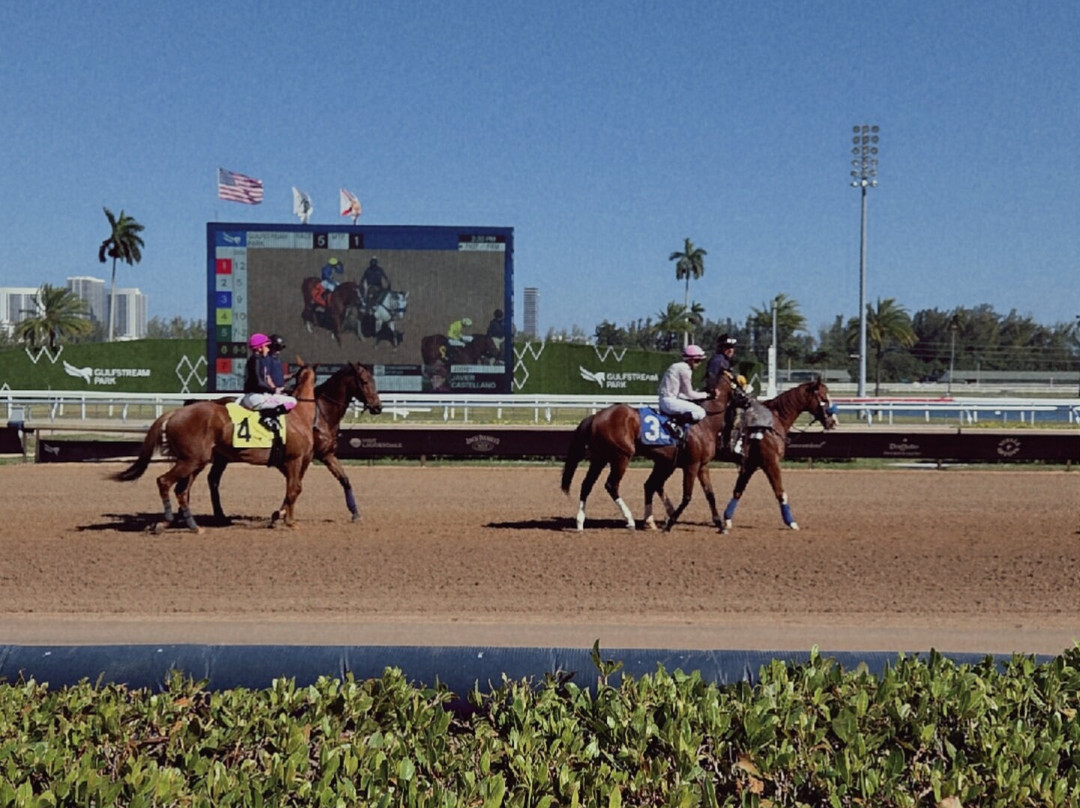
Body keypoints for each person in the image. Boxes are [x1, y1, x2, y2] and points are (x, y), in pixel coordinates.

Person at [240, 333, 298, 445]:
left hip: (255, 396)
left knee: (284, 399)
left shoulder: (257, 360)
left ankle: (268, 415)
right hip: (255, 397)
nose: (268, 348)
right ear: (260, 347)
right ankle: (266, 416)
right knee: (292, 401)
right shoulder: (256, 360)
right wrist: (274, 390)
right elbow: (259, 383)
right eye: (267, 346)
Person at [657, 344, 711, 445]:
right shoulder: (685, 369)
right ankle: (675, 423)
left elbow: (682, 394)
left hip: (666, 400)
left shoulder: (677, 366)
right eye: (697, 360)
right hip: (669, 402)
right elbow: (689, 394)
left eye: (700, 361)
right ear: (690, 359)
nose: (698, 364)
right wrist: (707, 395)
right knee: (701, 412)